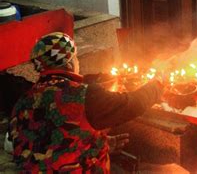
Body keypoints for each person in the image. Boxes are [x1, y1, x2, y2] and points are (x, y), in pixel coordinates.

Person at [8, 32, 164, 173]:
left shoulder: (23, 100)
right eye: (76, 57)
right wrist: (157, 85)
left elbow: (49, 140)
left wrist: (97, 145)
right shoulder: (83, 95)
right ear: (69, 62)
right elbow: (132, 104)